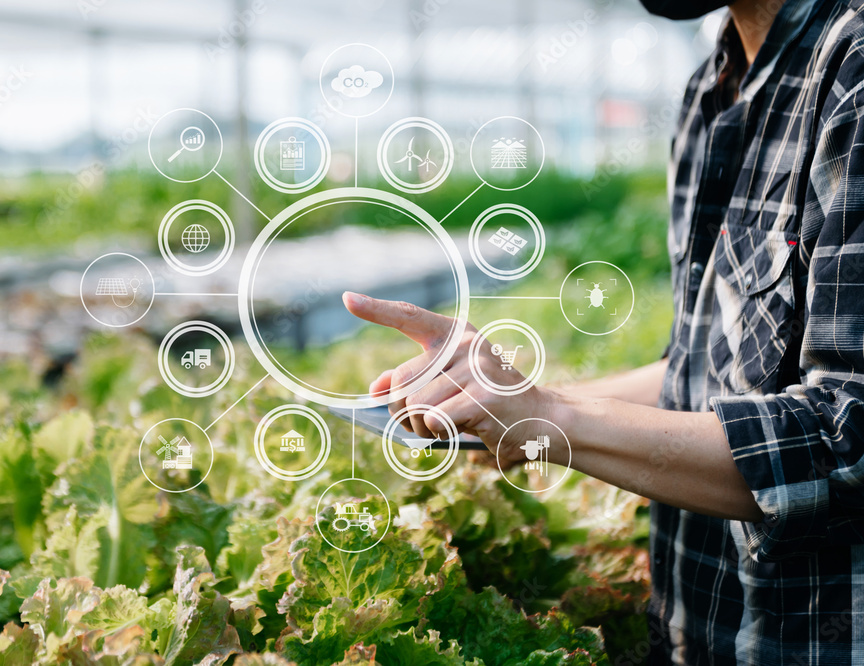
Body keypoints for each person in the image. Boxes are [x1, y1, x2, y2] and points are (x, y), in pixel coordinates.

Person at [343, 0, 864, 663]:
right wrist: (499, 398)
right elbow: (699, 368)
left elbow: (849, 440)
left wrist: (550, 417)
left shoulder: (852, 70)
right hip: (694, 630)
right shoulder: (714, 84)